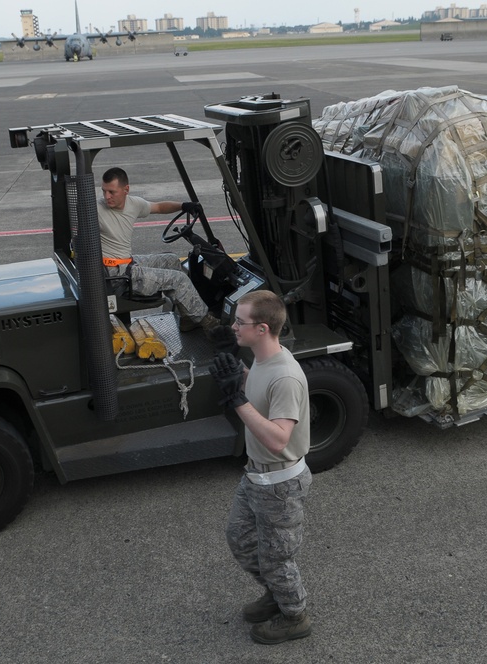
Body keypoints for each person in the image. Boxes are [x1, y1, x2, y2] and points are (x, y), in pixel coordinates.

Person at [210, 290, 313, 645]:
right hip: (256, 474)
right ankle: (277, 593)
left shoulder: (286, 376)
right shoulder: (264, 360)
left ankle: (294, 615)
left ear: (263, 328)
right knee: (239, 540)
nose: (233, 326)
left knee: (276, 558)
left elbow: (278, 440)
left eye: (240, 322)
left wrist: (236, 400)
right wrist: (232, 362)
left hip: (279, 482)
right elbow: (256, 387)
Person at [97, 167, 219, 332]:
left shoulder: (133, 204)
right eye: (104, 191)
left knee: (171, 259)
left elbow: (159, 207)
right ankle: (210, 325)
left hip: (127, 263)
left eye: (112, 192)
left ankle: (187, 317)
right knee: (178, 280)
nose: (106, 197)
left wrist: (184, 206)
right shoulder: (96, 210)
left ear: (126, 189)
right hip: (116, 276)